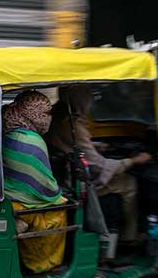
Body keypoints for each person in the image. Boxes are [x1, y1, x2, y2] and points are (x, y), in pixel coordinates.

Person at [47, 85, 151, 252]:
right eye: (88, 96)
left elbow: (69, 143)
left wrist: (95, 146)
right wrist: (133, 160)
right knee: (129, 183)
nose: (91, 101)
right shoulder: (72, 122)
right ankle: (128, 239)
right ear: (79, 98)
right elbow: (98, 166)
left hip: (62, 173)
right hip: (75, 183)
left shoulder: (58, 113)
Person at [2, 90, 67, 274]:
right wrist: (58, 192)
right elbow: (45, 188)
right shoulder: (29, 139)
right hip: (22, 200)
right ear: (33, 113)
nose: (48, 119)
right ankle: (44, 264)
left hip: (9, 192)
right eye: (45, 114)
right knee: (61, 207)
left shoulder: (10, 128)